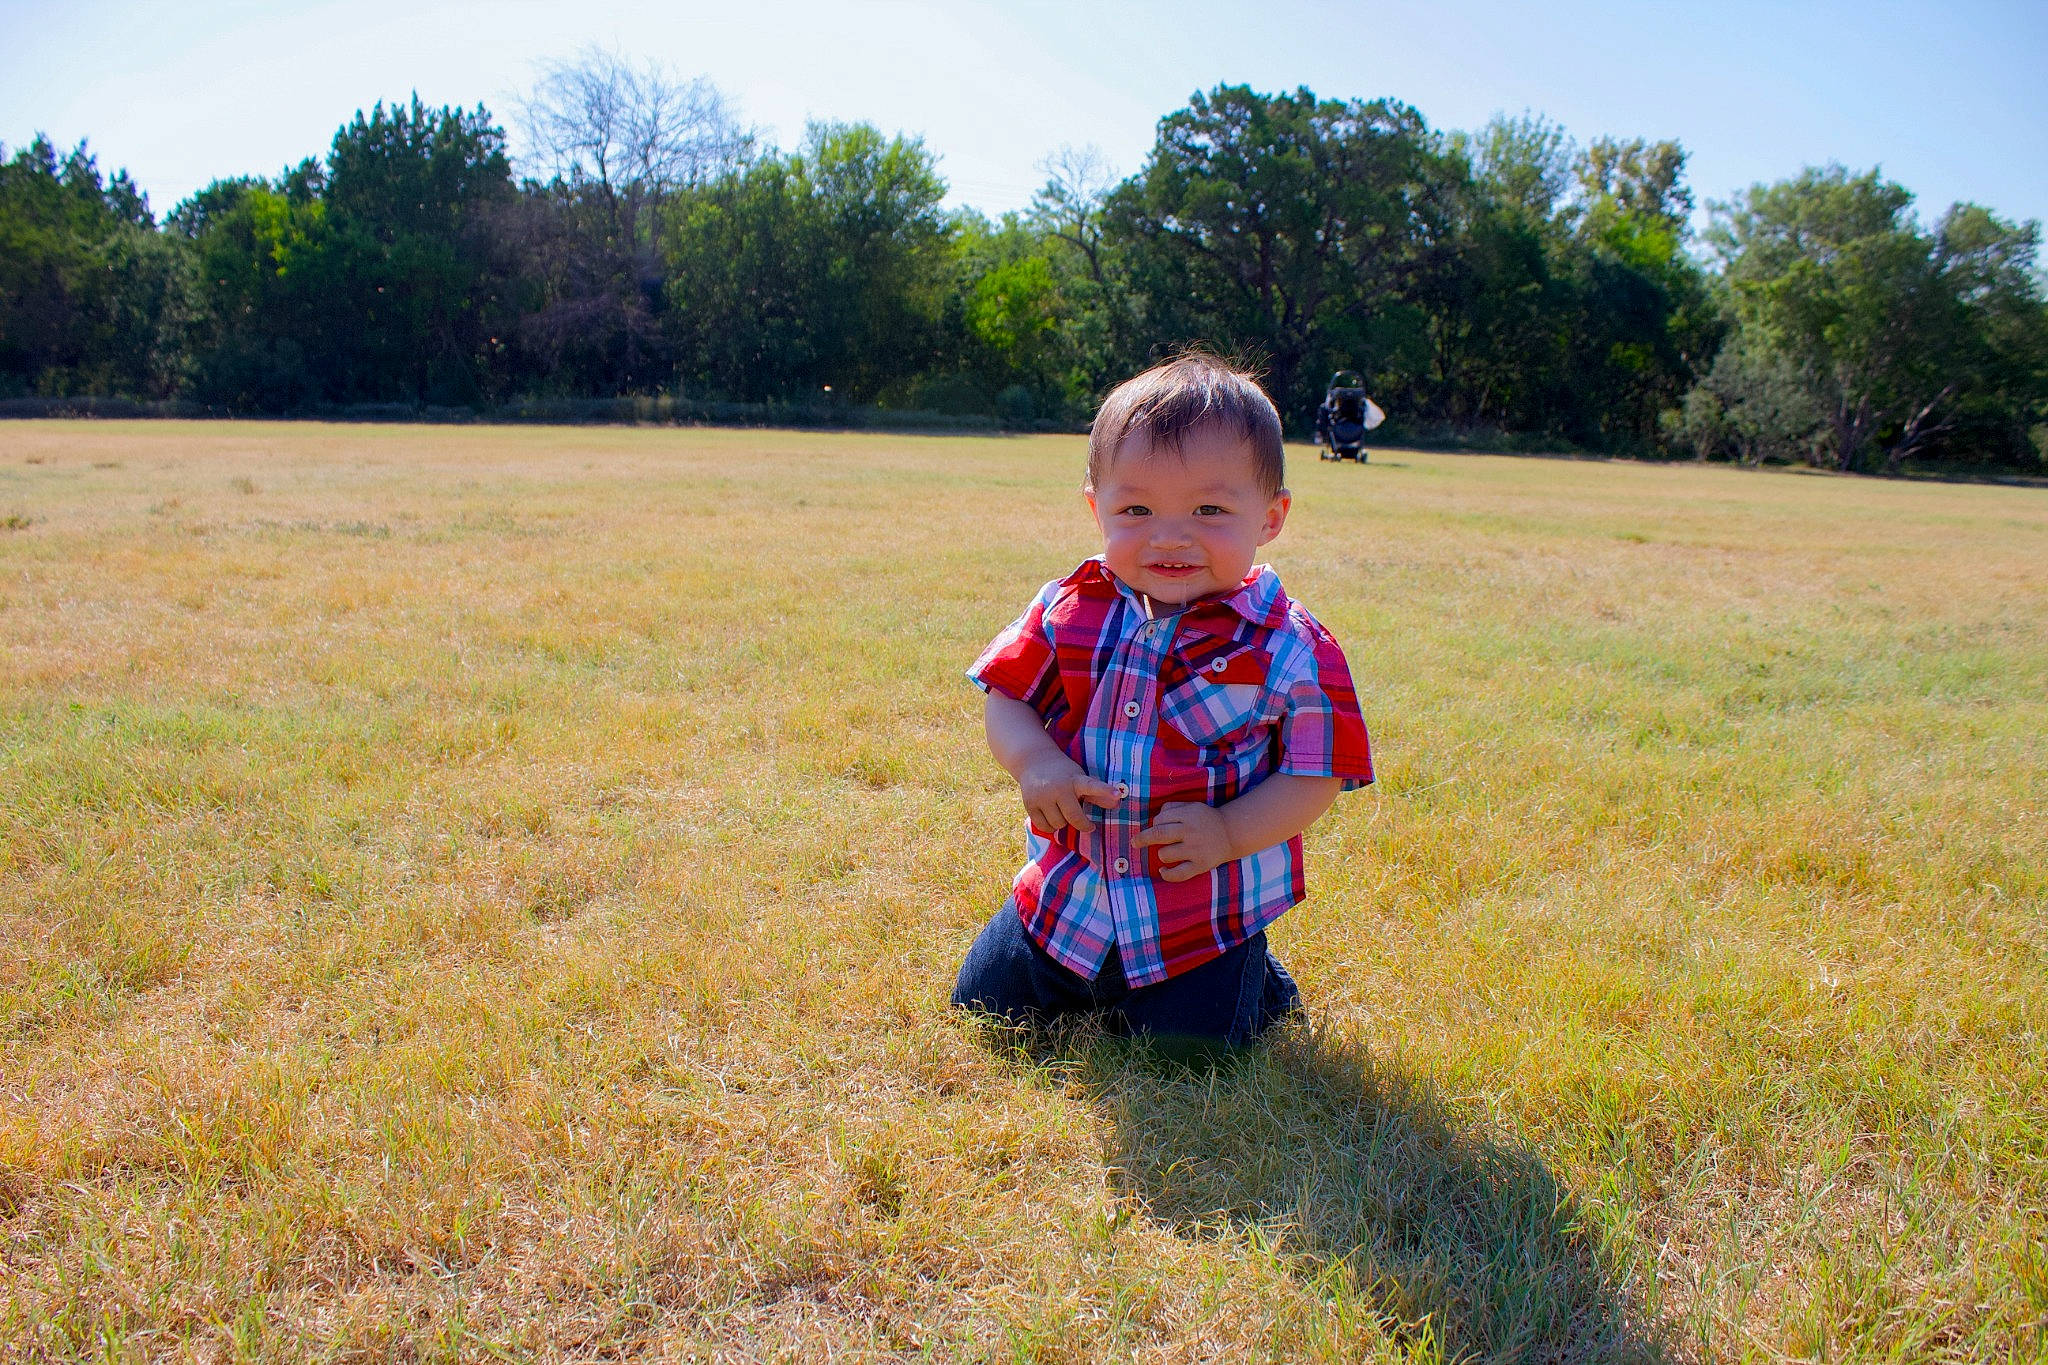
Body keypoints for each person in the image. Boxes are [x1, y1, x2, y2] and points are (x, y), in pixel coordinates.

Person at [952, 353, 1374, 1045]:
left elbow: (1316, 773)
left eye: (1209, 509)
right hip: (1068, 901)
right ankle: (1084, 983)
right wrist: (1035, 762)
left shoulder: (1289, 646)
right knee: (982, 1010)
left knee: (1190, 1054)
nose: (1169, 535)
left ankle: (1256, 982)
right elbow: (1007, 693)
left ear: (1269, 516)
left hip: (1197, 918)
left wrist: (1230, 832)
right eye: (1137, 508)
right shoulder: (1069, 608)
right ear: (1097, 507)